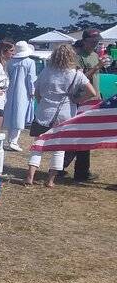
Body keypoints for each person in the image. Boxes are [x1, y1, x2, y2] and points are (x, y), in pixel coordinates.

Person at [24, 43, 96, 187]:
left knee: (38, 145)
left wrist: (43, 102)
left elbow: (37, 91)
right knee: (59, 148)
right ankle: (50, 180)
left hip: (44, 112)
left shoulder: (47, 71)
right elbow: (92, 92)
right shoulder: (76, 74)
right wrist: (76, 100)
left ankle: (30, 177)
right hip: (65, 113)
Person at [60, 28, 107, 182]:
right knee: (81, 137)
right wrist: (97, 67)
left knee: (85, 137)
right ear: (85, 40)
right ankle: (78, 171)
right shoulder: (77, 56)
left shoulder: (94, 55)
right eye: (93, 41)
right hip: (81, 100)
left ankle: (69, 168)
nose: (95, 44)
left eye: (97, 41)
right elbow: (78, 79)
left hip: (93, 99)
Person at [2, 41, 37, 151]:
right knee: (19, 115)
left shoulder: (10, 62)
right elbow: (31, 79)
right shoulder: (30, 62)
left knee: (11, 113)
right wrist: (32, 92)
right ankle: (13, 141)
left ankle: (10, 139)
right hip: (23, 91)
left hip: (10, 90)